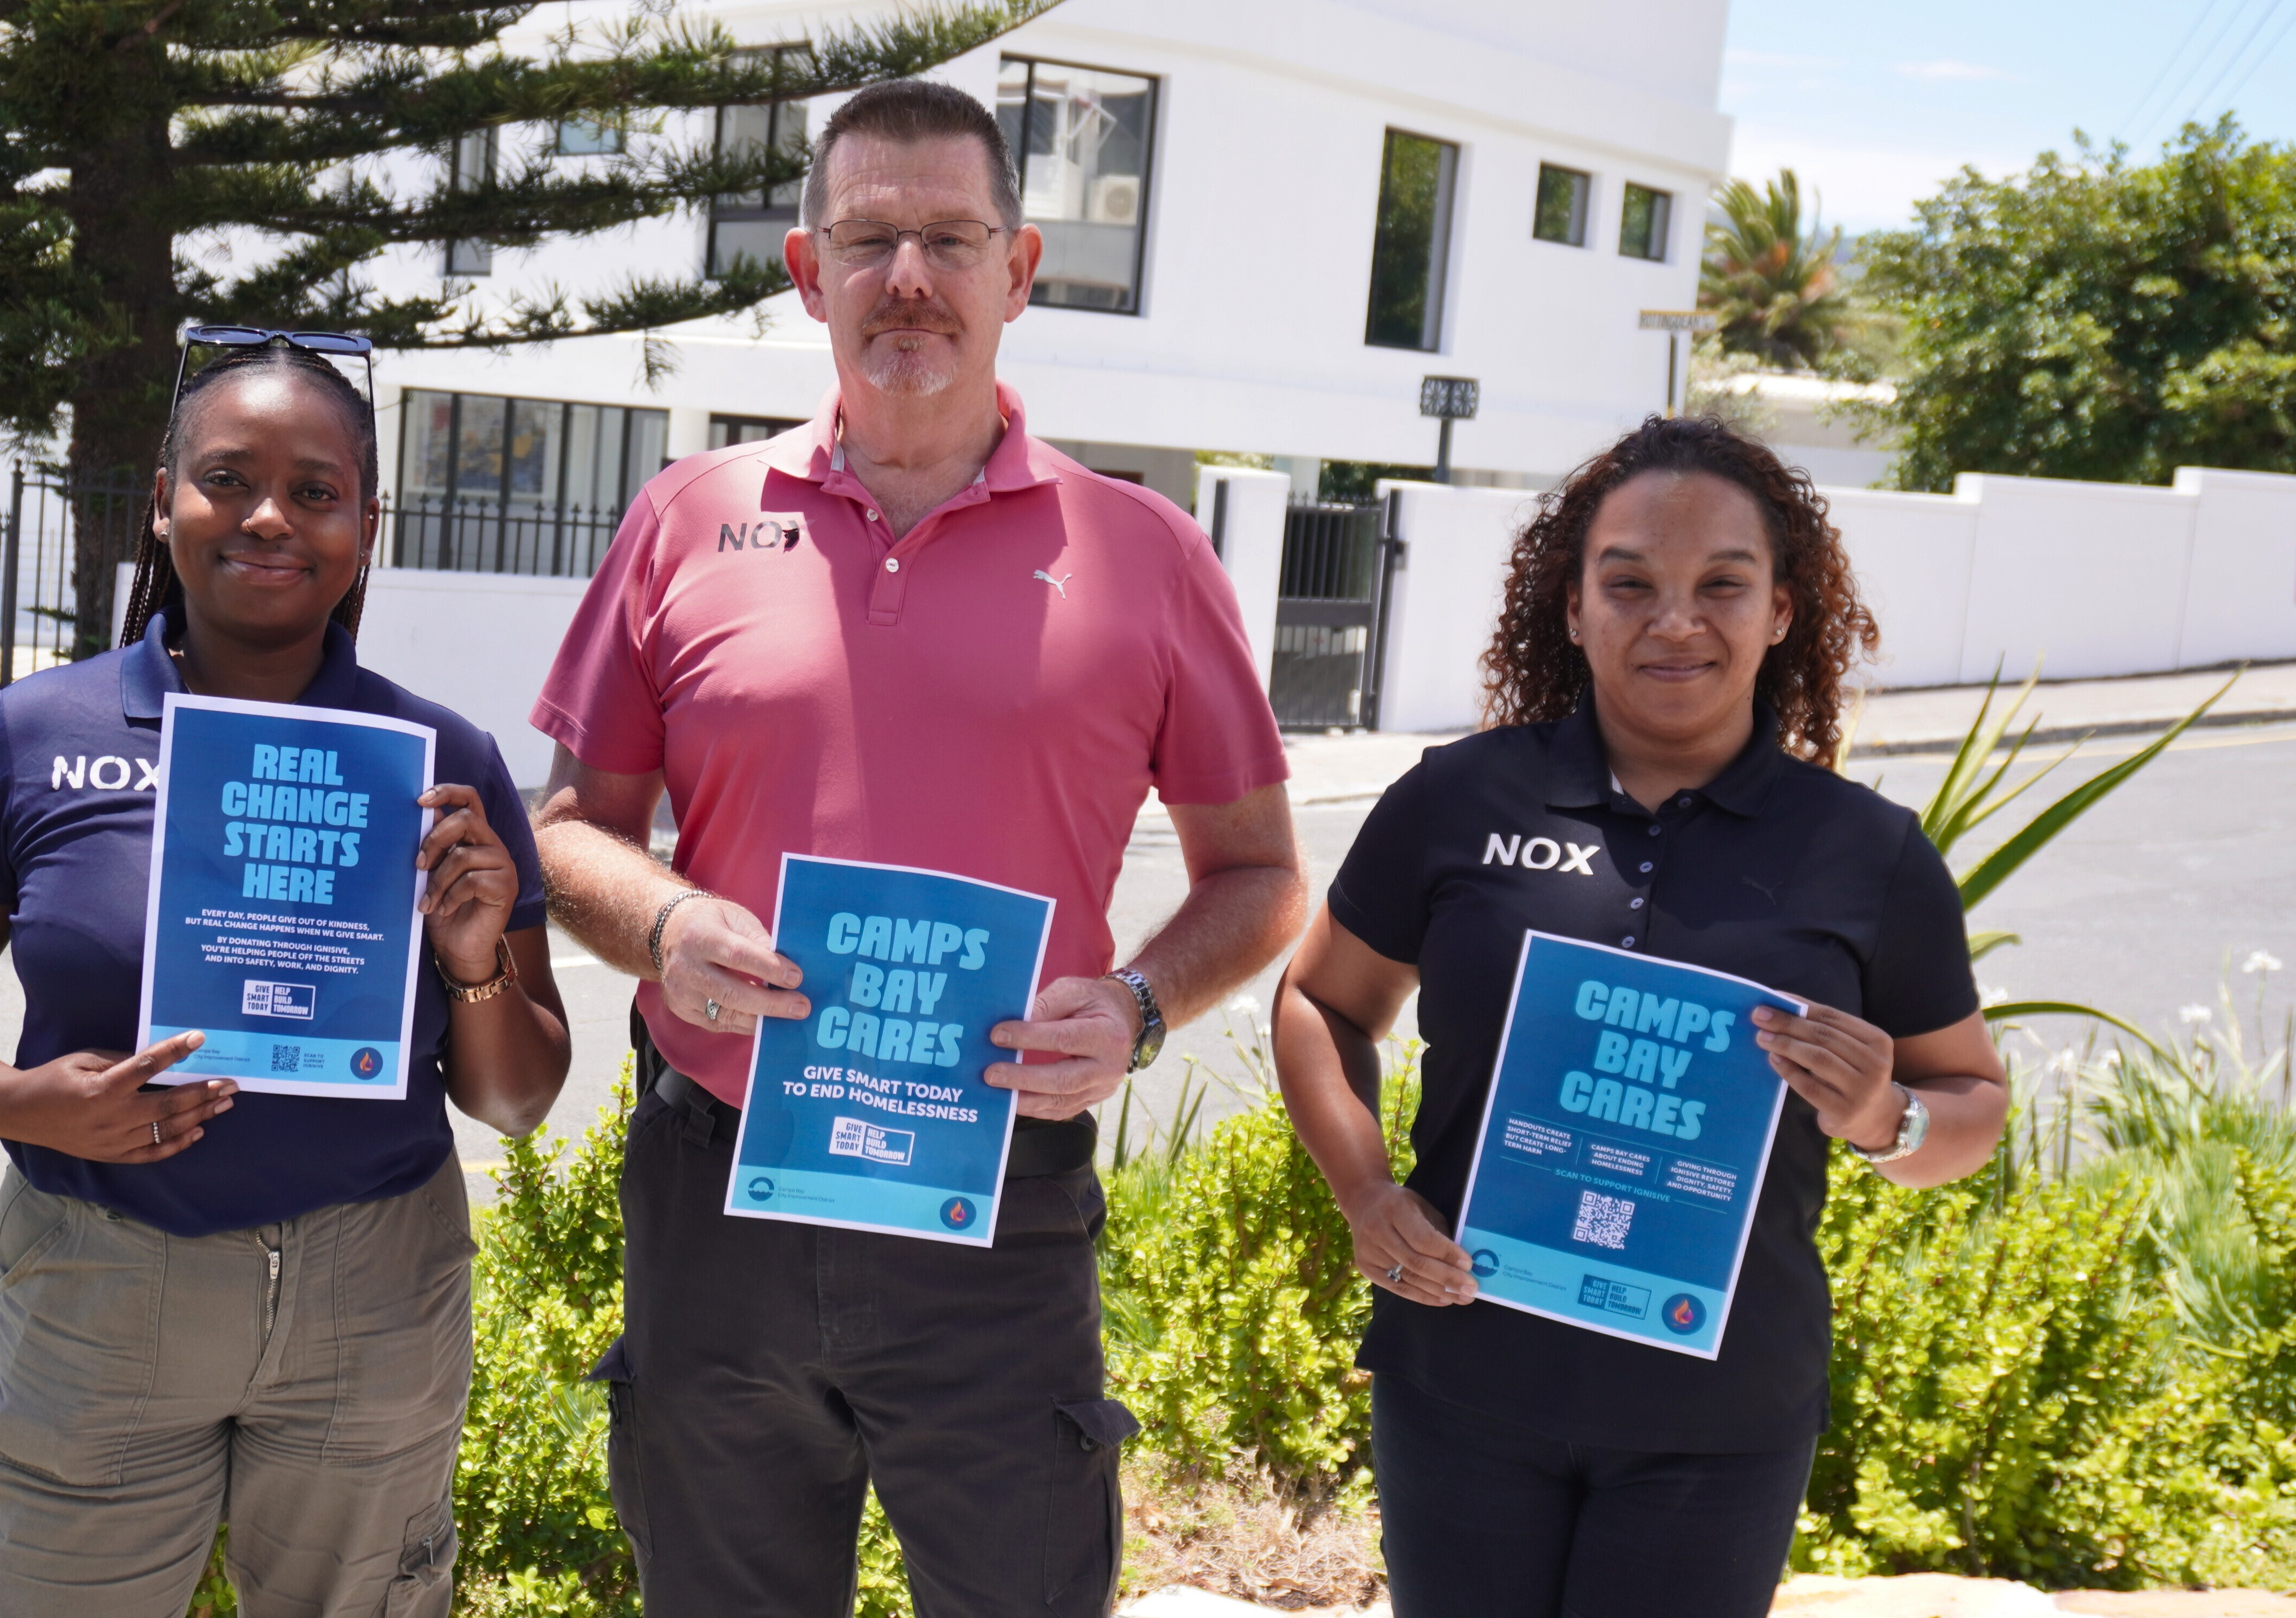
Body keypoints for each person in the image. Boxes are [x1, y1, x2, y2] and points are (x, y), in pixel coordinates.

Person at [528, 77, 1305, 1618]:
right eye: (867, 239)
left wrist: (1139, 1007)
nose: (909, 279)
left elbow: (1263, 874)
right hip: (720, 1188)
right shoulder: (687, 518)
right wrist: (667, 928)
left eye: (951, 240)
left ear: (1019, 270)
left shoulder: (1145, 555)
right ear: (807, 270)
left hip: (998, 1201)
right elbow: (571, 834)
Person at [0, 332, 572, 1617]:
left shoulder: (438, 760)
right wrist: (23, 1103)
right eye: (228, 479)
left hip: (374, 1288)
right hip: (103, 1277)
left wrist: (472, 963)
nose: (269, 518)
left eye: (314, 491)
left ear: (365, 525)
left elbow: (515, 1100)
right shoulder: (37, 734)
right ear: (162, 501)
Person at [1270, 413, 2010, 1618]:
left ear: (1781, 610)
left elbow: (1972, 1101)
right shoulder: (1461, 799)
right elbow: (1319, 999)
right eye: (1629, 585)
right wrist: (1364, 1192)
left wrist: (1887, 1117)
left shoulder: (1865, 855)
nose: (1676, 621)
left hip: (1719, 1420)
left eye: (1723, 584)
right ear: (1573, 608)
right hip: (1462, 1381)